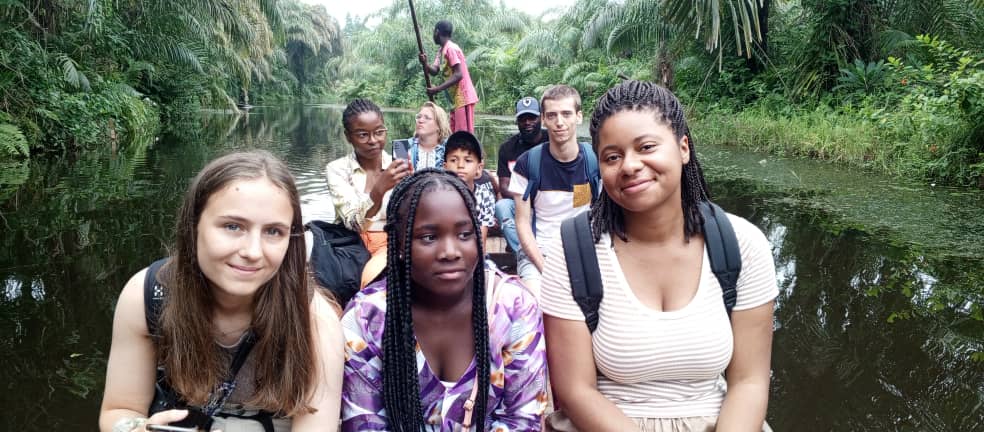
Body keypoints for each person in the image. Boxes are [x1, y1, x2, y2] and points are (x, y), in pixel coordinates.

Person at [540, 81, 777, 431]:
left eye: (646, 147)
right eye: (612, 157)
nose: (629, 166)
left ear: (683, 148)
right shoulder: (573, 249)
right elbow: (576, 389)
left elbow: (749, 382)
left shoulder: (743, 245)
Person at [99, 151, 344, 432]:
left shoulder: (315, 322)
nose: (253, 252)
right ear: (193, 226)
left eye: (273, 232)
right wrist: (135, 428)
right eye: (232, 226)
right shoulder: (148, 296)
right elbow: (120, 409)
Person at [340, 169, 547, 431]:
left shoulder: (514, 307)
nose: (450, 252)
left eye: (464, 234)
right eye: (429, 237)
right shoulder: (366, 318)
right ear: (400, 244)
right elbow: (365, 424)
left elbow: (523, 420)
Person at [507, 85, 598, 296]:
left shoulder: (595, 162)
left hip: (583, 250)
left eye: (566, 114)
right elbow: (522, 223)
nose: (559, 122)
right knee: (538, 303)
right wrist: (546, 270)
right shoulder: (527, 164)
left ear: (579, 117)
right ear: (543, 120)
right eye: (552, 115)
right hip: (539, 252)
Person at [326, 99, 411, 287]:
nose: (373, 141)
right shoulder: (337, 169)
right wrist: (379, 189)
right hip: (351, 243)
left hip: (390, 242)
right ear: (348, 136)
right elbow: (353, 223)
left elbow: (410, 216)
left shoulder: (399, 167)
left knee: (373, 276)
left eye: (379, 132)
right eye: (363, 135)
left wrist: (411, 188)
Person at [494, 96, 548, 271]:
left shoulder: (551, 142)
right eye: (522, 118)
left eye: (532, 117)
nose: (527, 122)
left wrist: (539, 198)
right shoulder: (507, 148)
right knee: (502, 206)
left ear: (541, 118)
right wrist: (528, 198)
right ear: (517, 121)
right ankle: (524, 253)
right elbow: (504, 187)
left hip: (547, 202)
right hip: (520, 202)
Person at [418, 20, 478, 134]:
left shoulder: (451, 48)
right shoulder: (441, 51)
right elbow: (434, 71)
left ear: (437, 32)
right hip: (455, 101)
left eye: (434, 32)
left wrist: (437, 89)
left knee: (463, 136)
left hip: (463, 98)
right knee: (455, 135)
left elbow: (458, 74)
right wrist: (424, 63)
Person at [444, 130, 496, 248]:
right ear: (445, 167)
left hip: (472, 251)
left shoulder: (485, 196)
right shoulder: (437, 197)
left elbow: (480, 242)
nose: (460, 165)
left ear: (479, 168)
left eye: (467, 160)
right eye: (453, 160)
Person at [406, 101, 452, 170]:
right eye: (418, 117)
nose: (420, 121)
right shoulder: (402, 147)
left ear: (439, 125)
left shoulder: (450, 149)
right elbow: (397, 175)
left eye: (427, 118)